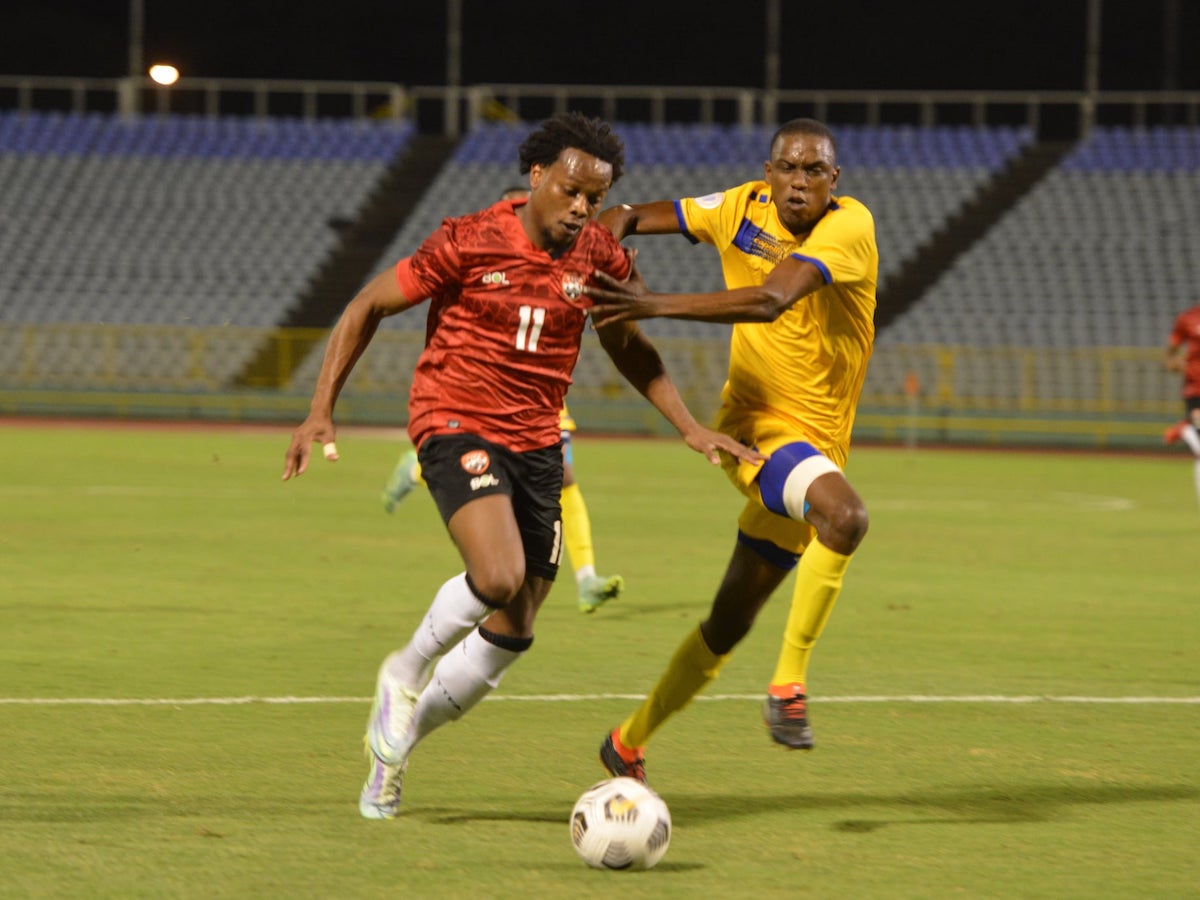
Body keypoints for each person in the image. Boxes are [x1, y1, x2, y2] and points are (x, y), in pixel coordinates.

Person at [280, 111, 760, 820]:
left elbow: (628, 346)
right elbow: (367, 304)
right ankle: (404, 672)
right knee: (498, 573)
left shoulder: (600, 256)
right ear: (536, 175)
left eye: (594, 199)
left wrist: (687, 425)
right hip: (453, 417)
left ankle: (398, 749)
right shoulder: (468, 239)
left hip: (538, 439)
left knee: (517, 622)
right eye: (569, 190)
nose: (580, 208)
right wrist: (322, 406)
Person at [584, 117, 876, 781]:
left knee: (728, 621)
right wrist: (604, 237)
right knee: (846, 517)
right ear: (768, 173)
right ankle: (788, 687)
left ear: (836, 181)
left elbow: (772, 298)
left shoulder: (849, 227)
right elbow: (635, 213)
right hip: (753, 431)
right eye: (787, 169)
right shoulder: (740, 206)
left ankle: (627, 742)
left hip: (814, 447)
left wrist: (651, 303)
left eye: (814, 172)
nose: (798, 183)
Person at [382, 186, 626, 614]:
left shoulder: (573, 261)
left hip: (541, 401)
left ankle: (586, 577)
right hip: (479, 404)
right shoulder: (480, 252)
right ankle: (420, 466)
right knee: (508, 555)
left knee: (563, 479)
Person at [1162, 301, 1200, 508]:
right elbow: (1171, 353)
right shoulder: (1188, 318)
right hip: (1196, 392)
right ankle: (1187, 426)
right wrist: (1173, 364)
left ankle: (1185, 428)